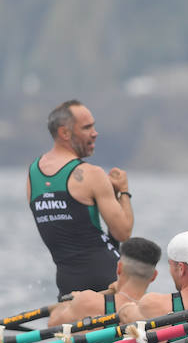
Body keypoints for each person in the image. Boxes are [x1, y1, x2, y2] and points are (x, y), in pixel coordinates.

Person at [29, 99, 135, 297]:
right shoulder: (91, 174)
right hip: (107, 280)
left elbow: (69, 223)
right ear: (65, 133)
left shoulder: (33, 175)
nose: (95, 133)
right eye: (87, 128)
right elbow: (123, 232)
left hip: (67, 284)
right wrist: (123, 192)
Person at [46, 237, 161, 327]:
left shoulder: (87, 301)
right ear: (154, 276)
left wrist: (70, 304)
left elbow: (52, 325)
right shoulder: (158, 309)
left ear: (119, 267)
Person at [118, 230, 188, 324]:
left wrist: (125, 305)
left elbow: (126, 315)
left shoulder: (154, 303)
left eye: (170, 265)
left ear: (181, 268)